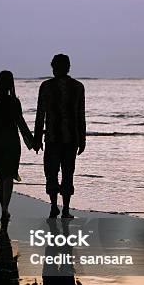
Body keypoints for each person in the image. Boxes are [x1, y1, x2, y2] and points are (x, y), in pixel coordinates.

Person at [34, 54, 86, 218]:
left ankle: (54, 207)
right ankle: (65, 209)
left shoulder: (46, 86)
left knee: (51, 172)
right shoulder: (78, 87)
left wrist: (37, 138)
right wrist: (82, 139)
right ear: (68, 67)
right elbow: (80, 116)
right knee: (67, 172)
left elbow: (40, 114)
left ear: (53, 67)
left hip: (52, 138)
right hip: (70, 138)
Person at [0, 70, 33, 223]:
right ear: (11, 84)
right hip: (11, 143)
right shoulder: (14, 102)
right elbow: (21, 124)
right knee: (9, 175)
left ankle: (3, 208)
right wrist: (32, 142)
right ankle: (5, 208)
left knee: (0, 176)